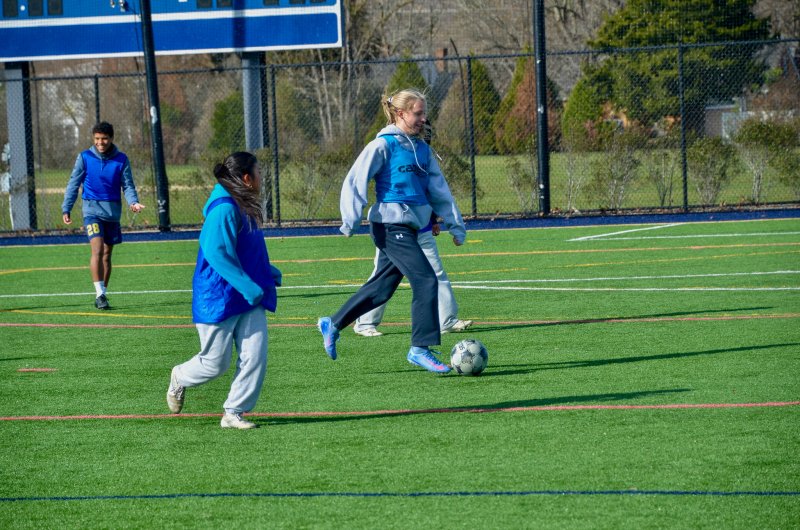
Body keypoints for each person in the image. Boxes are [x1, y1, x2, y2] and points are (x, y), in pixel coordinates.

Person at [317, 88, 466, 374]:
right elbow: (355, 180)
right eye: (417, 113)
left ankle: (333, 323)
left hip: (410, 228)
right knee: (425, 280)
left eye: (425, 113)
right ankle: (420, 348)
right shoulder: (383, 145)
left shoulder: (422, 149)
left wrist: (454, 224)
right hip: (388, 225)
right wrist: (350, 219)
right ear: (400, 113)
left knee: (382, 288)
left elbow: (439, 190)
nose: (424, 118)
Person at [166, 152, 281, 429]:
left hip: (247, 294)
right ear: (246, 178)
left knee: (255, 354)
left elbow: (245, 249)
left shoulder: (243, 204)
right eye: (258, 172)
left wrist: (267, 272)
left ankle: (234, 412)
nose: (261, 178)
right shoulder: (224, 207)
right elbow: (216, 253)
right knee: (215, 364)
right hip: (218, 296)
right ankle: (179, 376)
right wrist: (248, 286)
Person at [61, 122, 145, 310]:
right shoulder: (84, 157)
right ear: (93, 139)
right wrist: (66, 207)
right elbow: (73, 184)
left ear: (112, 139)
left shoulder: (121, 159)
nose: (101, 142)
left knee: (107, 255)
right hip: (91, 211)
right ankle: (99, 294)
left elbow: (128, 185)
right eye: (97, 139)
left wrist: (133, 202)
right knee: (97, 250)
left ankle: (103, 294)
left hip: (112, 213)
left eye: (104, 139)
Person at [353, 214, 472, 337]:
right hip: (393, 232)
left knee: (436, 274)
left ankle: (447, 321)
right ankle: (365, 324)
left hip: (422, 230)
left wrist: (432, 220)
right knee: (382, 277)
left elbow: (426, 196)